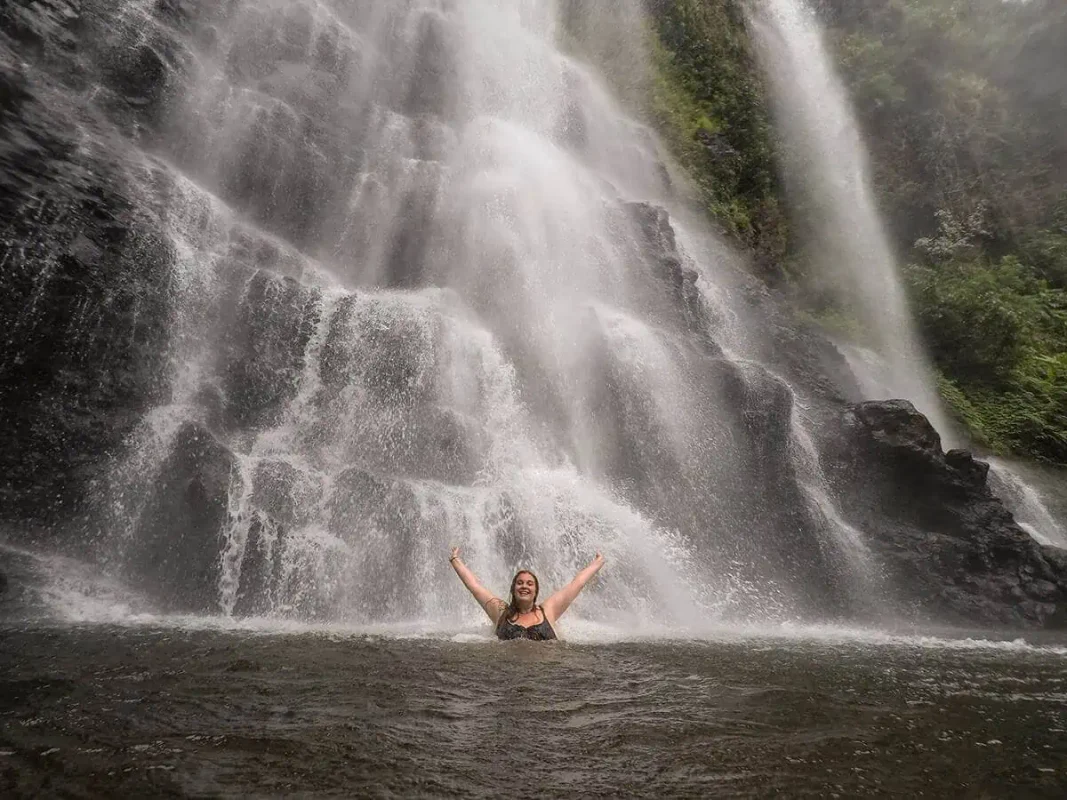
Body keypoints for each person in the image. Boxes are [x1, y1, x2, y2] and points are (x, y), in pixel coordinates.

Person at [449, 547, 606, 640]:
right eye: (520, 583)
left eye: (530, 584)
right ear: (513, 589)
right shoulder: (500, 611)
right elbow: (474, 587)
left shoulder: (548, 610)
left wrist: (598, 562)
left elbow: (576, 584)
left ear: (536, 591)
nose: (524, 586)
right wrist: (455, 559)